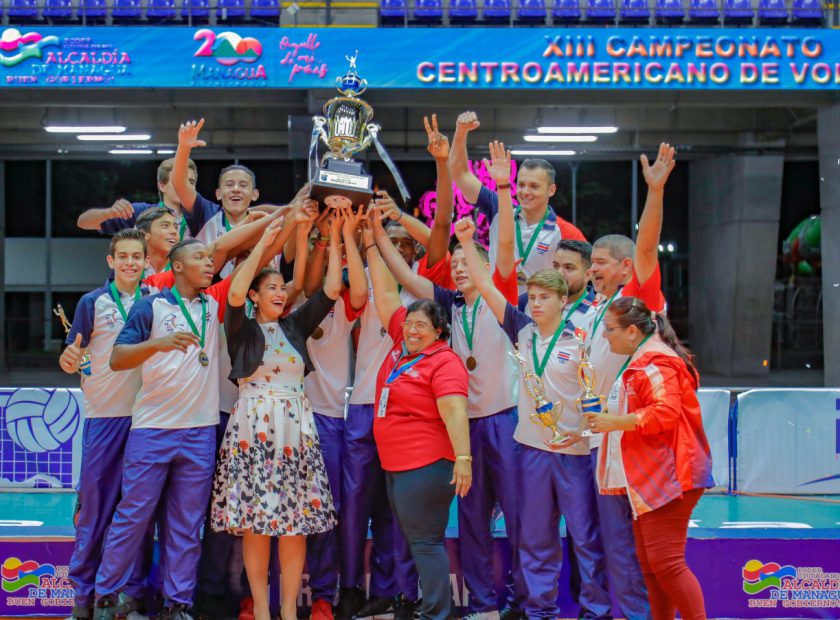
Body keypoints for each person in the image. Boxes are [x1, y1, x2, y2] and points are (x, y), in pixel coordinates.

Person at [372, 141, 524, 620]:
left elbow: (500, 248)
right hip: (462, 427)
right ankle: (481, 604)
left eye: (466, 263)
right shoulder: (448, 307)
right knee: (474, 522)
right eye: (455, 265)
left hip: (503, 419)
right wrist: (374, 234)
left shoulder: (502, 293)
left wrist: (497, 192)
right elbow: (400, 274)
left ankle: (524, 603)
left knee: (521, 519)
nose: (459, 269)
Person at [456, 217, 612, 620]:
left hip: (574, 451)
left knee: (584, 537)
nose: (537, 303)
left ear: (564, 302)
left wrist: (580, 431)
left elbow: (595, 396)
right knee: (535, 538)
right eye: (534, 296)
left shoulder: (582, 337)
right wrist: (469, 244)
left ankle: (595, 611)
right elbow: (488, 289)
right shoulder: (522, 331)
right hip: (530, 451)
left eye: (546, 298)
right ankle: (539, 610)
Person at [210, 210, 342, 620]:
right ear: (255, 295)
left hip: (294, 430)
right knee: (255, 523)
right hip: (253, 429)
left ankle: (288, 612)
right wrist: (266, 244)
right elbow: (232, 291)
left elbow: (332, 290)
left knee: (294, 523)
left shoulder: (295, 325)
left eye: (282, 287)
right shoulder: (241, 326)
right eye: (270, 288)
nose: (280, 293)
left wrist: (335, 237)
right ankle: (263, 612)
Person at [583, 143, 678, 620]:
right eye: (591, 261)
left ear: (624, 268)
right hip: (605, 446)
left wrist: (654, 192)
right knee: (619, 555)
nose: (592, 268)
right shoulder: (593, 312)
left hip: (641, 445)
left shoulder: (638, 297)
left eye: (601, 261)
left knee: (651, 557)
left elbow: (646, 246)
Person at [363, 219, 472, 620]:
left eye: (421, 326)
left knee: (425, 543)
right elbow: (387, 297)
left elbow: (455, 410)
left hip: (426, 466)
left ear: (439, 331)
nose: (411, 330)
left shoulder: (444, 362)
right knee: (417, 540)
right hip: (399, 464)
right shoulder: (402, 349)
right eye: (409, 325)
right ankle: (431, 610)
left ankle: (436, 614)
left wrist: (463, 459)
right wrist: (370, 241)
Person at [586, 297, 713, 620]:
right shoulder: (642, 359)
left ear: (631, 331)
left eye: (609, 329)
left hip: (672, 474)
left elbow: (665, 413)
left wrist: (614, 423)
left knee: (667, 565)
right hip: (654, 474)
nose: (604, 336)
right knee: (652, 566)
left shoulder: (655, 361)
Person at [60, 229, 152, 620]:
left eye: (137, 256)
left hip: (148, 422)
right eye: (124, 256)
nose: (131, 262)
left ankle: (127, 595)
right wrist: (67, 361)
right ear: (111, 261)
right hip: (103, 420)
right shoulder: (92, 302)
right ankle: (82, 597)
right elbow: (74, 355)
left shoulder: (156, 302)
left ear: (147, 261)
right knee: (95, 511)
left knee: (136, 515)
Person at [303, 206, 368, 620]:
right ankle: (315, 591)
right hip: (297, 422)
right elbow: (307, 282)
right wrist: (320, 237)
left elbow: (356, 290)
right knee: (302, 509)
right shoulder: (289, 305)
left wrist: (343, 236)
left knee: (339, 510)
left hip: (336, 418)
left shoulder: (343, 307)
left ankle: (337, 590)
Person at [448, 111, 586, 291]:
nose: (525, 192)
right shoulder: (499, 209)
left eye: (534, 186)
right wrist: (460, 132)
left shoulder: (566, 232)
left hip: (540, 314)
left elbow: (584, 275)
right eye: (521, 185)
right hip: (498, 311)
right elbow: (460, 174)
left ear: (551, 190)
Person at [76, 158, 199, 241]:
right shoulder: (141, 213)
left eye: (191, 182)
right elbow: (83, 222)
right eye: (177, 181)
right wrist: (108, 213)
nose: (185, 187)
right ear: (162, 186)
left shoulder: (202, 219)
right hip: (140, 279)